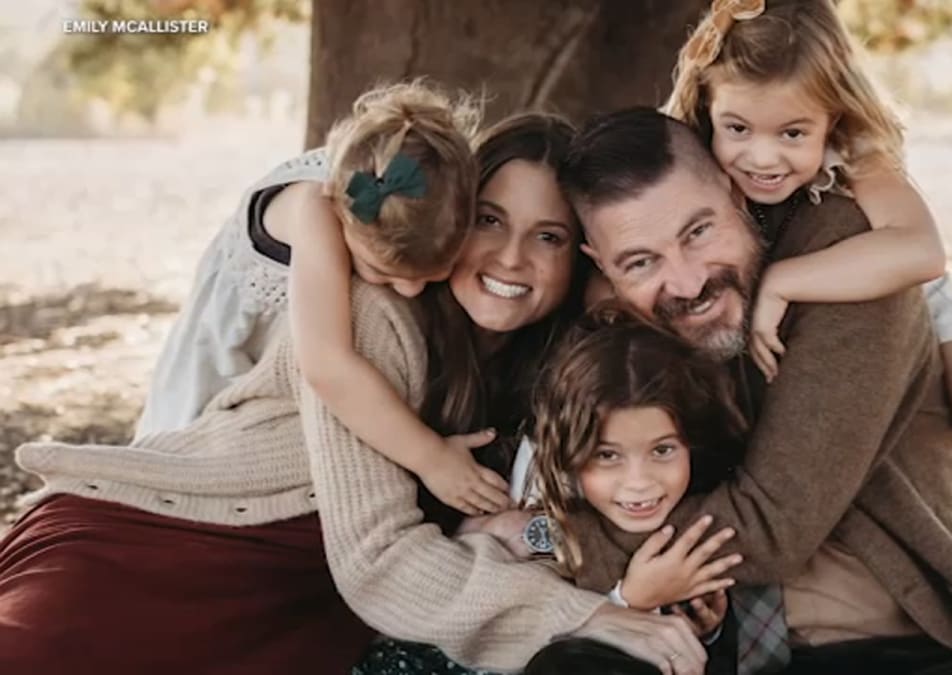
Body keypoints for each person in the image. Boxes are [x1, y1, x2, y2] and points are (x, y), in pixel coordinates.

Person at [0, 111, 711, 675]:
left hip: (302, 612)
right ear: (455, 216)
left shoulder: (554, 369)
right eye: (489, 220)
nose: (510, 257)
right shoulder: (379, 316)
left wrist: (548, 544)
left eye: (548, 236)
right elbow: (379, 559)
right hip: (162, 551)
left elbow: (554, 526)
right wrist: (583, 613)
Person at [522, 105, 952, 673]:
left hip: (886, 648)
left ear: (737, 195)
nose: (687, 282)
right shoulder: (618, 315)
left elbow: (772, 524)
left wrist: (559, 541)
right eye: (640, 262)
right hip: (705, 641)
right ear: (602, 264)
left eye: (699, 231)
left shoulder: (851, 265)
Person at [663, 0, 952, 516]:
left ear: (833, 117)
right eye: (738, 130)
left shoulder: (859, 152)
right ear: (709, 106)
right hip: (801, 295)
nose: (762, 157)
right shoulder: (693, 149)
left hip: (898, 280)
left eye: (793, 134)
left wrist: (781, 281)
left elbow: (921, 250)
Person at [137, 80, 513, 518]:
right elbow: (327, 365)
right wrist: (431, 458)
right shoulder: (315, 207)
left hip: (289, 373)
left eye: (433, 277)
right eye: (386, 275)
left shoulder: (432, 192)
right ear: (341, 207)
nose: (411, 291)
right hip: (228, 359)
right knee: (185, 476)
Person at [524, 305, 751, 674]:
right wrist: (630, 602)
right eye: (607, 455)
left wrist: (703, 632)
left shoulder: (708, 501)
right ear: (570, 452)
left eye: (663, 450)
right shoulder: (537, 526)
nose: (640, 482)